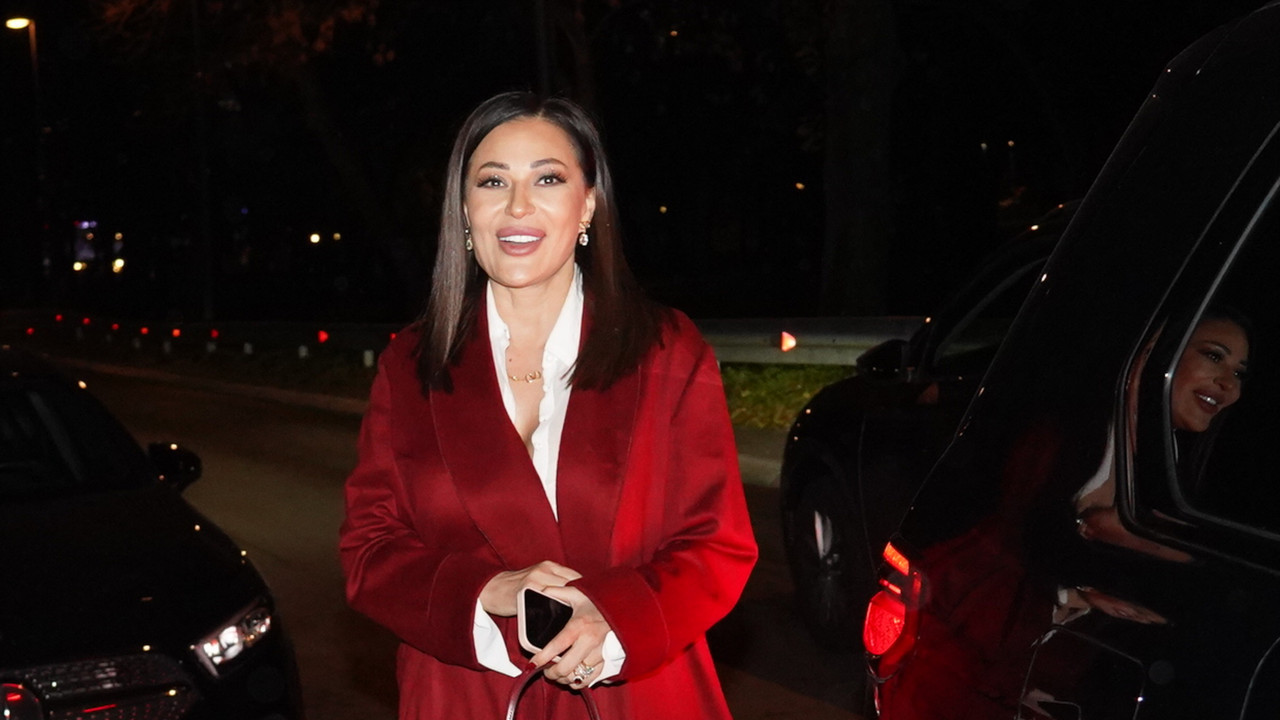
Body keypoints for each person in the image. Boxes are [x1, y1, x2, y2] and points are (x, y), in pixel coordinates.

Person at [339, 91, 758, 720]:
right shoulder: (410, 366)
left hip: (635, 694)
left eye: (548, 178)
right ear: (463, 208)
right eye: (492, 181)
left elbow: (716, 544)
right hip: (465, 696)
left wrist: (614, 618)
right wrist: (486, 589)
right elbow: (369, 551)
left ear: (587, 203)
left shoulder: (665, 349)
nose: (518, 205)